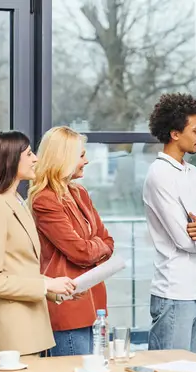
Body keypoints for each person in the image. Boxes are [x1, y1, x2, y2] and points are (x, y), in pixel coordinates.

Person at [0, 131, 76, 358]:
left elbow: (20, 267)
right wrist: (46, 287)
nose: (36, 159)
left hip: (32, 327)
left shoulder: (15, 201)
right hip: (14, 333)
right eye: (29, 154)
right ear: (10, 160)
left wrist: (55, 286)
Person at [143, 93, 196, 372]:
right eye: (195, 130)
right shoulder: (159, 175)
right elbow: (183, 238)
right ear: (175, 134)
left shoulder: (192, 172)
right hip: (174, 292)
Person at [29, 126, 114, 357]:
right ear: (64, 158)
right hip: (68, 305)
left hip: (94, 301)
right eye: (82, 155)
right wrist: (97, 246)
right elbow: (80, 252)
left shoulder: (80, 193)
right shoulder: (44, 200)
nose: (86, 161)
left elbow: (109, 241)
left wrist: (95, 245)